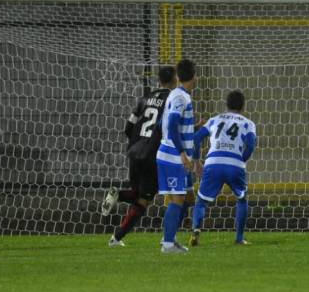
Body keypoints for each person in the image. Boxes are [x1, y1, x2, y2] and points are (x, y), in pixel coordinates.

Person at [101, 66, 177, 247]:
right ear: (174, 81)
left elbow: (128, 127)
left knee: (137, 194)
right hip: (153, 155)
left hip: (135, 153)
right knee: (143, 201)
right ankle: (116, 237)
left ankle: (117, 197)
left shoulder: (144, 99)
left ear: (158, 80)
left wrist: (138, 143)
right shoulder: (172, 100)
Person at [190, 90, 257, 246]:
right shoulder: (248, 123)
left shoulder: (215, 120)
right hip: (235, 165)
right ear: (243, 106)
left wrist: (196, 161)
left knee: (201, 201)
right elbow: (251, 144)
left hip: (213, 162)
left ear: (226, 105)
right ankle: (239, 238)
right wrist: (242, 160)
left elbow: (196, 138)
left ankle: (196, 232)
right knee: (241, 199)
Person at [156, 59, 199, 254]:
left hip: (171, 154)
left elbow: (162, 125)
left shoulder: (175, 94)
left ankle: (170, 235)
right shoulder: (181, 97)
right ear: (195, 77)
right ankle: (167, 243)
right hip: (173, 157)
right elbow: (172, 125)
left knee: (188, 197)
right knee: (177, 200)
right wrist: (182, 153)